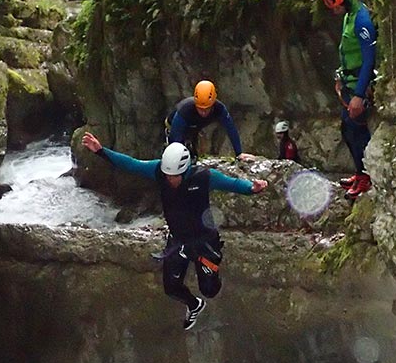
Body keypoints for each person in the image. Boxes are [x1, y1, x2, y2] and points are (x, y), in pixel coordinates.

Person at [81, 131, 268, 329]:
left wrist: (252, 188)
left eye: (175, 176)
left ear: (185, 170)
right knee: (171, 288)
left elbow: (232, 183)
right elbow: (131, 164)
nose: (171, 180)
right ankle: (194, 305)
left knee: (210, 290)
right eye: (168, 176)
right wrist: (101, 151)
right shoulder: (158, 171)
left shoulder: (203, 177)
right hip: (178, 239)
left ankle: (210, 272)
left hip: (204, 240)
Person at [322, 0, 377, 199]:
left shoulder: (362, 20)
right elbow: (348, 50)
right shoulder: (349, 16)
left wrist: (358, 95)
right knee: (347, 129)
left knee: (356, 130)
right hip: (348, 81)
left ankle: (366, 176)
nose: (333, 11)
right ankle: (358, 171)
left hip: (358, 86)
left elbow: (369, 58)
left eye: (334, 6)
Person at [166, 80, 247, 161]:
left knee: (193, 157)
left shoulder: (219, 108)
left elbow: (230, 128)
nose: (203, 112)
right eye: (200, 109)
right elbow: (175, 139)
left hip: (194, 127)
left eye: (207, 109)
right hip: (175, 127)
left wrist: (239, 153)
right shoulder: (185, 110)